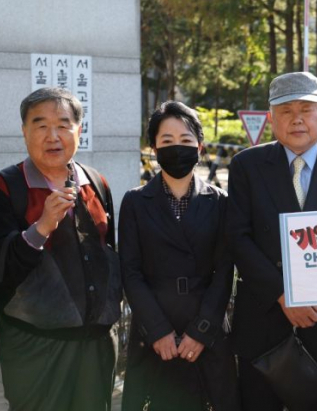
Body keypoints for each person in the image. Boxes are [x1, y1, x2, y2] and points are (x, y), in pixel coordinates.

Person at [226, 71, 317, 410]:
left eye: (306, 109)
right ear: (271, 118)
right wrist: (283, 294)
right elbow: (237, 238)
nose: (296, 119)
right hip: (263, 322)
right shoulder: (246, 166)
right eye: (286, 110)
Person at [0, 87, 121, 411]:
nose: (52, 135)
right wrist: (43, 225)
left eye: (63, 124)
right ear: (24, 130)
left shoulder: (96, 183)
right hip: (35, 348)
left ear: (79, 130)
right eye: (40, 125)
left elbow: (109, 251)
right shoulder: (5, 187)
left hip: (97, 345)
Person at [119, 101, 240, 411]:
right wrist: (158, 331)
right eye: (167, 141)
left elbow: (224, 271)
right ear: (154, 147)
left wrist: (200, 331)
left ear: (199, 146)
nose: (177, 148)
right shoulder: (134, 201)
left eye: (186, 141)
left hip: (207, 332)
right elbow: (130, 273)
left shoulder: (220, 201)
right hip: (154, 334)